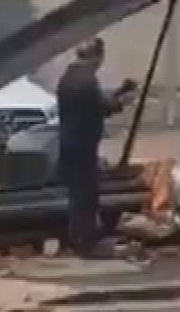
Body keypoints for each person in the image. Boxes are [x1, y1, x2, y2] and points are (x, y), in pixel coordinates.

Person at [53, 37, 136, 257]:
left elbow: (91, 103)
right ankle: (87, 244)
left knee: (79, 195)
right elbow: (99, 107)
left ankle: (79, 239)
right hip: (82, 146)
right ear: (97, 56)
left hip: (71, 143)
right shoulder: (87, 80)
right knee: (85, 196)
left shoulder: (70, 76)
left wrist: (118, 92)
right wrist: (122, 101)